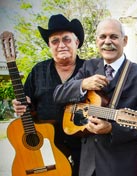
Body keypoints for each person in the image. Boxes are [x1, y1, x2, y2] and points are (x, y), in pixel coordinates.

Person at [53, 18, 137, 176]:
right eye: (102, 37)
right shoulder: (88, 67)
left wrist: (112, 128)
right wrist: (82, 84)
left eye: (114, 37)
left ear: (125, 40)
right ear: (96, 41)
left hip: (121, 165)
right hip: (88, 165)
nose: (107, 42)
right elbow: (58, 94)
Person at [12, 14, 85, 176]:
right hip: (47, 150)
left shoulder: (89, 69)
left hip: (84, 149)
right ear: (49, 46)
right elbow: (25, 105)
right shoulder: (38, 71)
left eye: (66, 39)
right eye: (55, 41)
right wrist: (20, 105)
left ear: (76, 42)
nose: (61, 45)